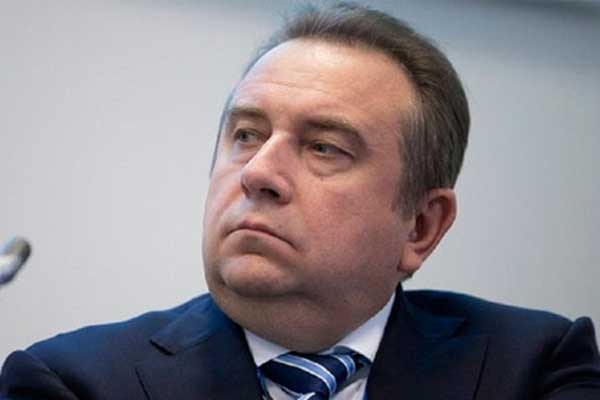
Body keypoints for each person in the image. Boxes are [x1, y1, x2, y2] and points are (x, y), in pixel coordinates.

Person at [2, 2, 599, 399]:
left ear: (420, 225)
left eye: (323, 147)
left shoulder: (534, 367)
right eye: (246, 135)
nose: (258, 173)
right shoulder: (71, 383)